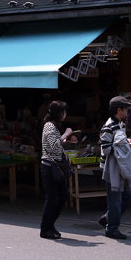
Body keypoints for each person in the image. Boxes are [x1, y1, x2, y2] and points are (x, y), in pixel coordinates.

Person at [98, 96, 131, 240]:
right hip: (111, 169)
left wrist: (126, 142)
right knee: (115, 200)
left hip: (120, 167)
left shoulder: (121, 125)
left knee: (128, 196)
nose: (128, 112)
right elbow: (106, 149)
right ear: (119, 110)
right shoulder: (108, 127)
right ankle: (112, 229)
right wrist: (124, 146)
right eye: (126, 109)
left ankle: (107, 219)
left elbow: (118, 143)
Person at [39, 100, 77, 240]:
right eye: (64, 112)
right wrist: (66, 134)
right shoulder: (49, 126)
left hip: (55, 166)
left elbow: (55, 144)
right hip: (49, 167)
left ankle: (50, 225)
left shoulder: (53, 126)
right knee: (52, 198)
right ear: (59, 113)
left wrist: (66, 141)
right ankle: (45, 228)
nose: (65, 115)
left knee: (62, 196)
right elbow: (54, 146)